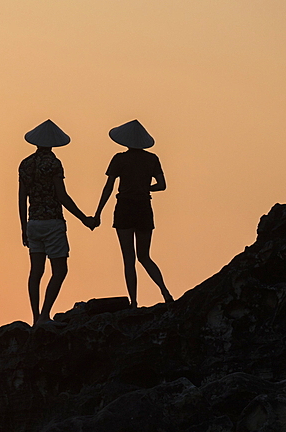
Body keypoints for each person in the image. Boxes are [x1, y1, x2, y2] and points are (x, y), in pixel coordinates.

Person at [19, 119, 97, 325]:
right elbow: (62, 196)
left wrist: (23, 227)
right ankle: (45, 315)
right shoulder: (54, 164)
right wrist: (84, 219)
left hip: (33, 222)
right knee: (60, 270)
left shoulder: (25, 164)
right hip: (52, 221)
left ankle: (36, 317)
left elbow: (21, 197)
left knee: (36, 272)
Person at [93, 119, 174, 307]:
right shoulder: (152, 159)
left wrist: (98, 214)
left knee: (128, 259)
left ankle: (134, 302)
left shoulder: (119, 159)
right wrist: (146, 187)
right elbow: (162, 185)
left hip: (124, 207)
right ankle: (165, 291)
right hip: (144, 206)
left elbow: (108, 188)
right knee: (144, 256)